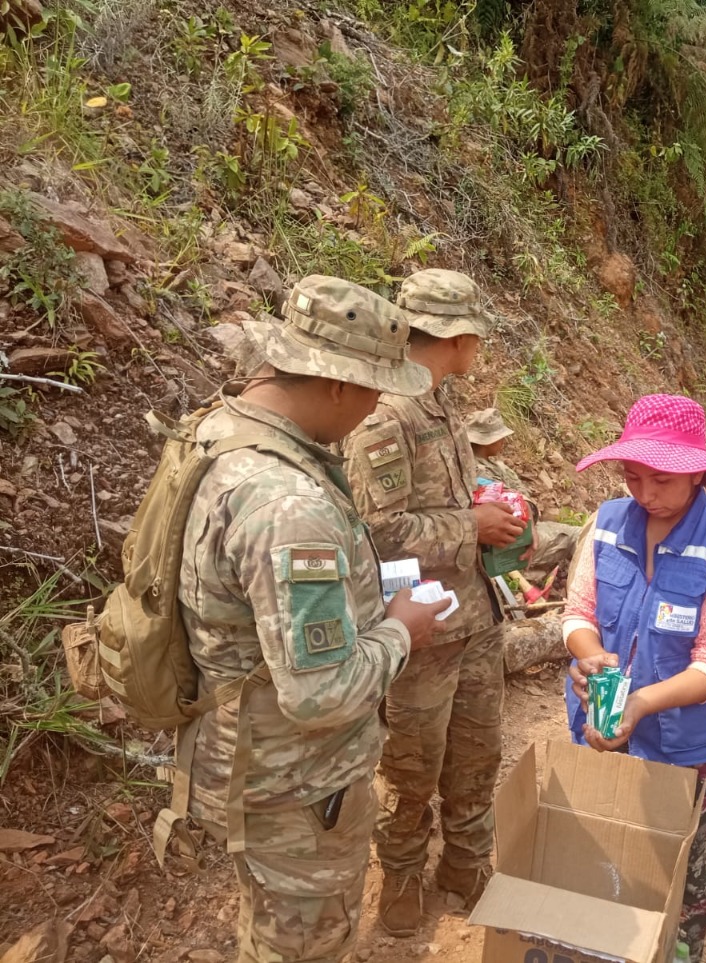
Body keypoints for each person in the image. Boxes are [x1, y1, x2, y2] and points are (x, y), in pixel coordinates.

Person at [180, 276, 451, 962]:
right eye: (373, 389)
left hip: (250, 758)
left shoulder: (221, 430)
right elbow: (321, 692)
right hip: (295, 788)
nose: (375, 408)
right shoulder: (289, 504)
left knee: (269, 932)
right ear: (336, 384)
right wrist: (400, 628)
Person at [342, 269, 524, 936]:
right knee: (412, 765)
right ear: (455, 335)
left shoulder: (442, 404)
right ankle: (399, 875)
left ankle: (466, 866)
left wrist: (488, 519)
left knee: (476, 754)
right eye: (474, 333)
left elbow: (441, 503)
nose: (478, 346)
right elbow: (379, 529)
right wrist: (469, 525)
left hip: (473, 617)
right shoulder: (385, 416)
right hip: (418, 630)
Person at [561, 394, 706, 963]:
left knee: (681, 862)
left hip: (687, 744)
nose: (645, 495)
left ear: (698, 472)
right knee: (608, 842)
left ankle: (678, 950)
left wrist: (643, 702)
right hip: (604, 726)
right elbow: (578, 612)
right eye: (632, 477)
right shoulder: (604, 524)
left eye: (661, 481)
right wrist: (589, 653)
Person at [466, 406, 580, 581]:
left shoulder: (472, 465)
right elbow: (516, 510)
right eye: (500, 438)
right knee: (576, 536)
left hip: (491, 538)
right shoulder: (484, 472)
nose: (503, 442)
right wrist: (529, 520)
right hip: (504, 541)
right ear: (489, 441)